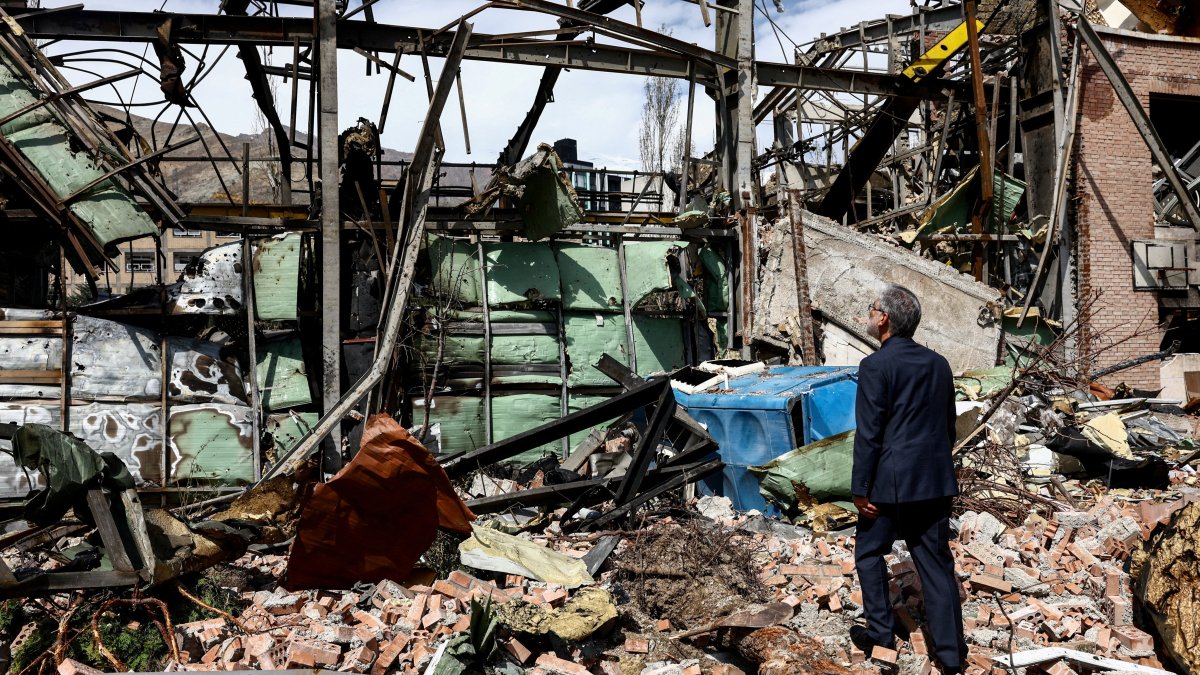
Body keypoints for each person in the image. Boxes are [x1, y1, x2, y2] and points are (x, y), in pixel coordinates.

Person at [850, 284, 966, 674]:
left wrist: (859, 489)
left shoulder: (875, 366)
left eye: (871, 308)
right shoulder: (939, 364)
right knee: (935, 567)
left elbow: (869, 434)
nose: (868, 313)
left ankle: (881, 640)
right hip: (933, 483)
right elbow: (948, 428)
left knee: (868, 553)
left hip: (888, 487)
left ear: (884, 318)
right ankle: (952, 658)